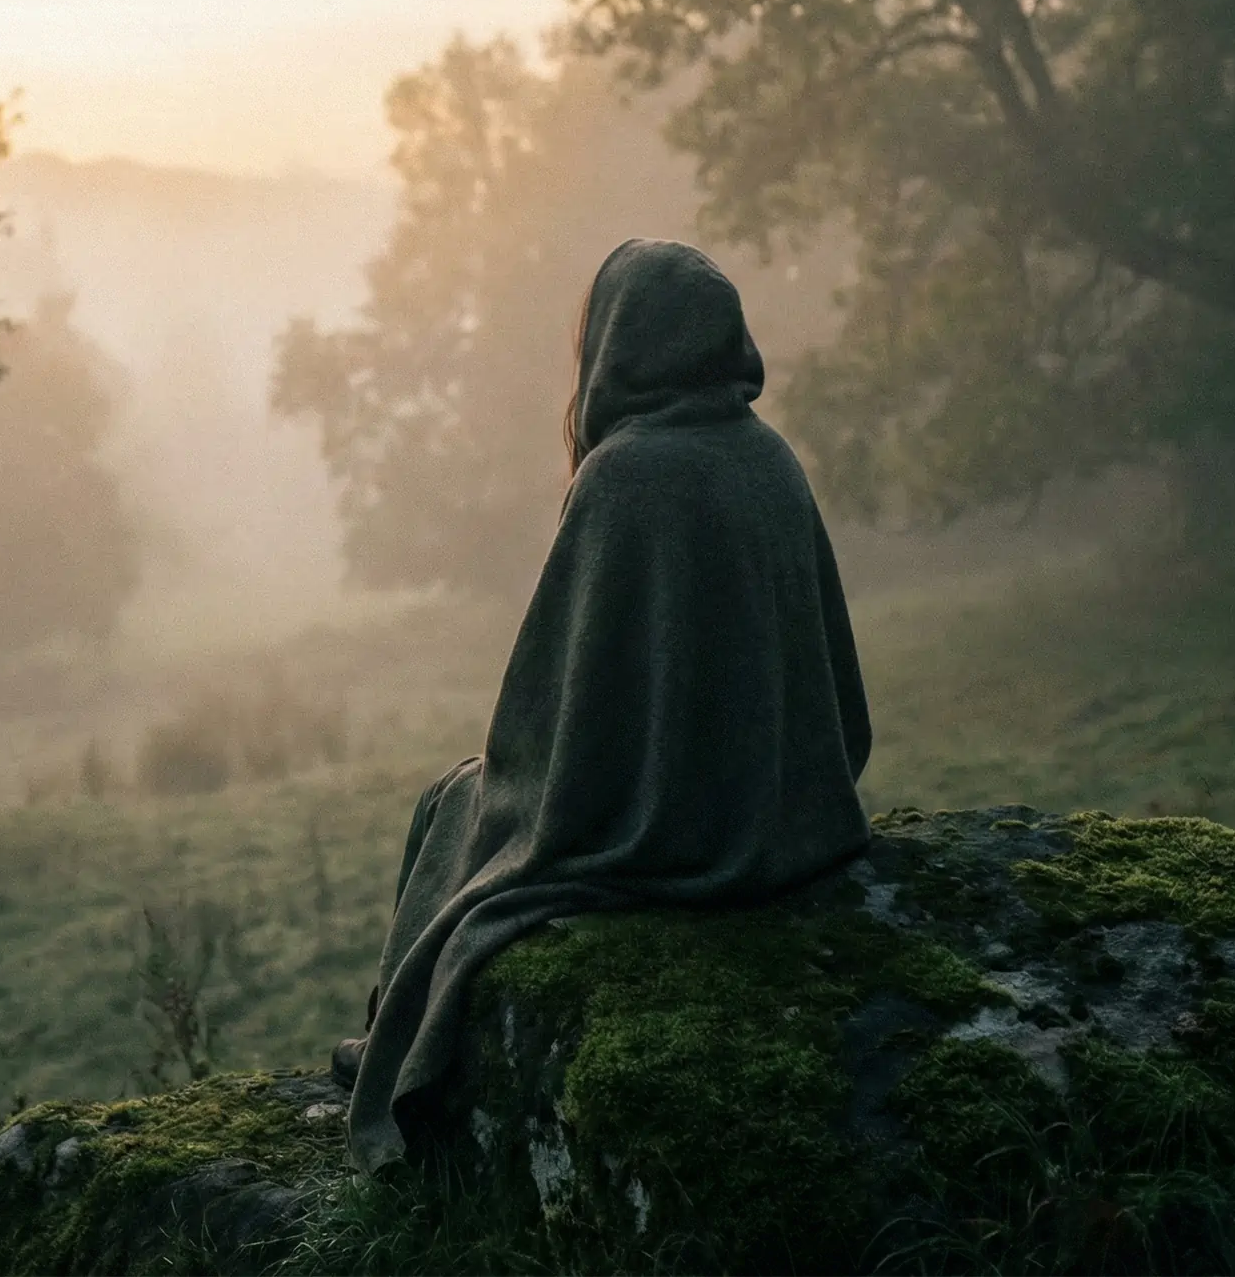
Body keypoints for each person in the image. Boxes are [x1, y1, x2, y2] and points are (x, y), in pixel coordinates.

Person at [333, 238, 874, 1173]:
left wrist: (519, 787)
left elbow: (549, 737)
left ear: (618, 344)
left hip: (673, 838)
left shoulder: (623, 477)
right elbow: (838, 699)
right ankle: (395, 1029)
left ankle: (395, 1036)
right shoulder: (770, 456)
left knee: (456, 801)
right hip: (785, 818)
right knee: (466, 799)